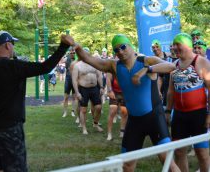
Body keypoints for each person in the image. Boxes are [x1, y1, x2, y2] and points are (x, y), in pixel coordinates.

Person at [71, 34, 180, 172]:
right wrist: (75, 45)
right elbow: (89, 59)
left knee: (167, 162)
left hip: (154, 118)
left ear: (130, 46)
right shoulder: (114, 66)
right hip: (134, 121)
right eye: (116, 50)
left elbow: (170, 66)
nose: (120, 52)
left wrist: (146, 70)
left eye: (123, 47)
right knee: (126, 165)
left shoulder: (146, 60)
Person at [0, 30, 73, 171]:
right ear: (7, 45)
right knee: (17, 168)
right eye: (12, 44)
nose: (13, 47)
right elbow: (45, 67)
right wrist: (63, 46)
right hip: (10, 127)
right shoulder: (12, 67)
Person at [166, 33, 210, 172]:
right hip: (179, 115)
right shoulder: (174, 65)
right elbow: (170, 91)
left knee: (202, 154)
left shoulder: (201, 61)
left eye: (177, 44)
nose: (174, 48)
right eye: (173, 45)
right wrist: (168, 111)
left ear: (186, 45)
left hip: (199, 114)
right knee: (179, 152)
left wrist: (209, 116)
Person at [72, 47, 104, 135]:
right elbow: (74, 80)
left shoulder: (94, 64)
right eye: (83, 54)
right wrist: (77, 92)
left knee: (98, 107)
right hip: (83, 89)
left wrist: (101, 87)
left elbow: (99, 76)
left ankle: (95, 123)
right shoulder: (77, 65)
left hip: (94, 88)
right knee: (83, 110)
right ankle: (84, 128)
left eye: (87, 54)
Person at [106, 72, 128, 141]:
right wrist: (109, 90)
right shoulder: (112, 65)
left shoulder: (127, 65)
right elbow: (108, 78)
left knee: (124, 112)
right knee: (113, 111)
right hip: (114, 92)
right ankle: (109, 133)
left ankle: (122, 131)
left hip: (125, 92)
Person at [151, 39, 171, 108]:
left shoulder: (168, 55)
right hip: (157, 83)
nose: (155, 49)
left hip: (167, 82)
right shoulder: (152, 59)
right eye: (153, 48)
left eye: (157, 46)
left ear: (160, 46)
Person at [62, 48, 77, 118]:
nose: (72, 54)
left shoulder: (77, 59)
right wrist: (65, 55)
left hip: (75, 79)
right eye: (71, 53)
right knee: (66, 97)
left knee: (74, 97)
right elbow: (61, 60)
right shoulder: (67, 58)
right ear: (69, 53)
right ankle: (65, 112)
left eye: (73, 53)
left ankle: (73, 111)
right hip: (68, 79)